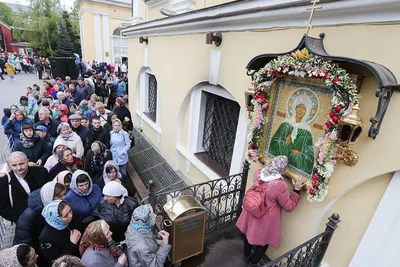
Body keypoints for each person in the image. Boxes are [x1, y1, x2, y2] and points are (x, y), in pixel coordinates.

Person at [236, 156, 304, 267]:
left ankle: (245, 258)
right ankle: (253, 264)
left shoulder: (258, 173)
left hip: (252, 212)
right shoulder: (278, 185)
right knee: (263, 244)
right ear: (282, 170)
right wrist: (296, 190)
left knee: (248, 236)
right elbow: (289, 206)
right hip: (265, 219)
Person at [14, 182, 66, 267]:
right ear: (49, 197)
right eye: (59, 196)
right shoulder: (28, 217)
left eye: (64, 194)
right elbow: (25, 244)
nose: (63, 198)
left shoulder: (55, 206)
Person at [269, 94, 315, 175]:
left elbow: (309, 159)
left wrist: (298, 154)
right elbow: (273, 143)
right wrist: (285, 143)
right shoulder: (285, 125)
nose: (300, 110)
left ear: (307, 112)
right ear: (294, 108)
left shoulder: (306, 132)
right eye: (299, 107)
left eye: (304, 108)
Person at [0, 152, 49, 223]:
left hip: (46, 216)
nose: (19, 168)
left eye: (21, 164)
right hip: (24, 222)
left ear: (27, 161)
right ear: (9, 166)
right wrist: (20, 218)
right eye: (14, 165)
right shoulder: (3, 182)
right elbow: (2, 207)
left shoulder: (41, 172)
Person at [39, 200, 82, 265]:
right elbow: (56, 261)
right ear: (57, 218)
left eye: (70, 210)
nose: (71, 215)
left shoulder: (72, 217)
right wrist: (72, 244)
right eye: (66, 215)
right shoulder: (46, 238)